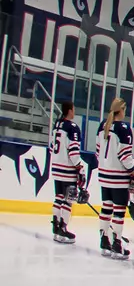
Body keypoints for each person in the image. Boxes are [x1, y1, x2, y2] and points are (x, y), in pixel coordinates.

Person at [94, 97, 134, 259]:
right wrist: (132, 170)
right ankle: (117, 243)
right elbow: (124, 155)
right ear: (122, 110)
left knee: (106, 207)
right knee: (119, 210)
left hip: (104, 174)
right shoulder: (124, 128)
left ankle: (104, 240)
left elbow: (98, 151)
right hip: (118, 177)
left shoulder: (103, 125)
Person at [47, 99, 85, 244]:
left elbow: (52, 146)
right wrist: (80, 167)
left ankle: (56, 227)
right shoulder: (72, 128)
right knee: (68, 200)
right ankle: (63, 228)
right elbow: (73, 152)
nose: (74, 112)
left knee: (58, 197)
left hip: (56, 167)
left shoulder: (57, 125)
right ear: (69, 111)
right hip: (67, 169)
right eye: (73, 109)